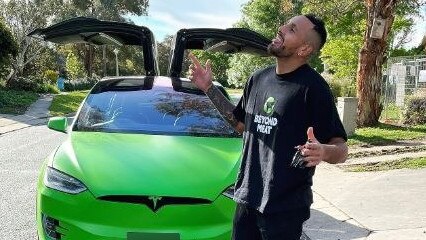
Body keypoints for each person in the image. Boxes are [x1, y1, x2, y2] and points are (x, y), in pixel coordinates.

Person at [188, 14, 348, 240]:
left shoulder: (314, 89)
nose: (281, 28)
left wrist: (323, 151)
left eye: (292, 29)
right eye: (286, 24)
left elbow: (341, 149)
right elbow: (242, 125)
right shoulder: (258, 78)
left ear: (304, 49)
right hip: (247, 198)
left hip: (285, 208)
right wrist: (208, 88)